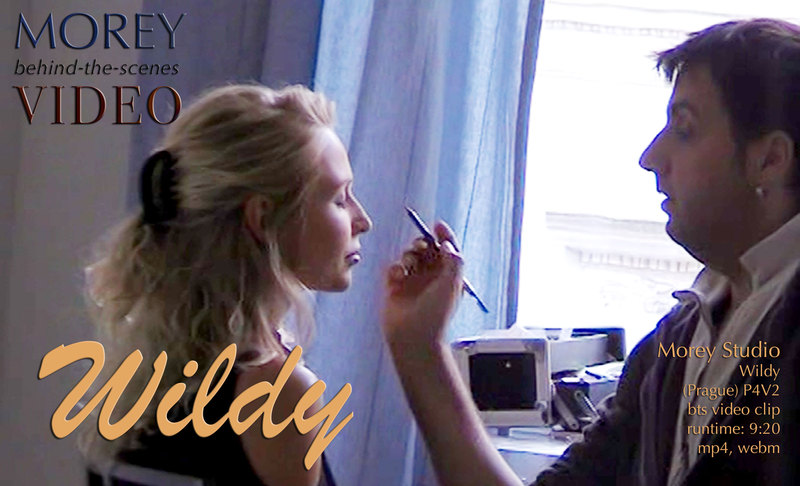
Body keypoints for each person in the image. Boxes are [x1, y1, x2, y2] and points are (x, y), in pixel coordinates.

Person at [382, 18, 800, 486]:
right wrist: (419, 345)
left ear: (769, 160)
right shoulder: (675, 342)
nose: (650, 157)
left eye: (684, 129)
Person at [81, 84, 372, 486]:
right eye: (339, 198)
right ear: (263, 218)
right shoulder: (276, 394)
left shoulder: (134, 376)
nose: (363, 220)